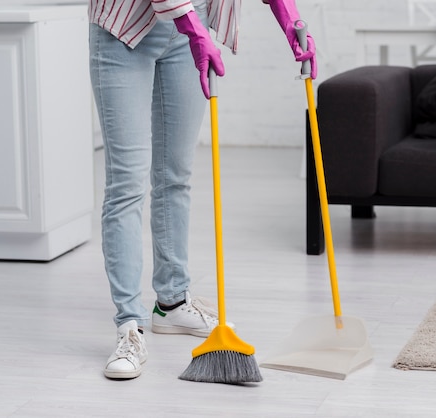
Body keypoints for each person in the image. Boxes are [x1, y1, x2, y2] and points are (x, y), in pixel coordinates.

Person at [88, 0, 317, 379]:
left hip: (189, 27)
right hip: (125, 29)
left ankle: (172, 302)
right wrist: (193, 29)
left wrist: (289, 19)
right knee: (127, 183)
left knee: (175, 175)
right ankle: (130, 325)